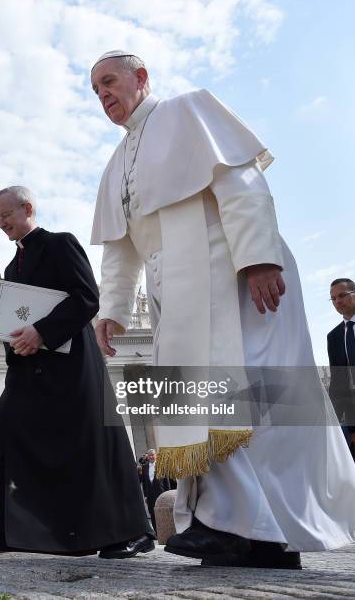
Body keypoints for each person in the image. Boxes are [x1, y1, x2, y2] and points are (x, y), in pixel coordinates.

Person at [90, 50, 355, 569]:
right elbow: (120, 248)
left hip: (231, 271)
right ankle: (225, 525)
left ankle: (263, 528)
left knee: (248, 399)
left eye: (109, 82)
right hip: (174, 293)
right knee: (194, 401)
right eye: (95, 89)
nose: (102, 94)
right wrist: (113, 308)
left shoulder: (189, 111)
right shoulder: (116, 164)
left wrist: (258, 258)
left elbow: (241, 183)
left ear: (141, 78)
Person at [0, 186, 154, 557]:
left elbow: (87, 297)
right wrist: (16, 343)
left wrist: (42, 332)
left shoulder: (61, 244)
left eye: (6, 216)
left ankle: (129, 531)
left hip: (72, 366)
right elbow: (14, 319)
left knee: (91, 446)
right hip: (29, 368)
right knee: (6, 435)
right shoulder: (13, 266)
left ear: (27, 208)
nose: (1, 224)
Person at [327, 278, 355, 456]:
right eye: (334, 298)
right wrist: (333, 422)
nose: (338, 301)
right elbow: (339, 383)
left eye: (342, 295)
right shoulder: (334, 337)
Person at [141, 449, 171, 533]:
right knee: (153, 513)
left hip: (161, 493)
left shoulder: (161, 465)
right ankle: (157, 533)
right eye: (150, 455)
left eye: (153, 455)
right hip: (150, 495)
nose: (151, 456)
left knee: (163, 512)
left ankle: (166, 531)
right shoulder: (145, 467)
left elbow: (166, 480)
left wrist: (168, 493)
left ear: (156, 456)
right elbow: (144, 482)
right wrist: (145, 495)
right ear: (148, 457)